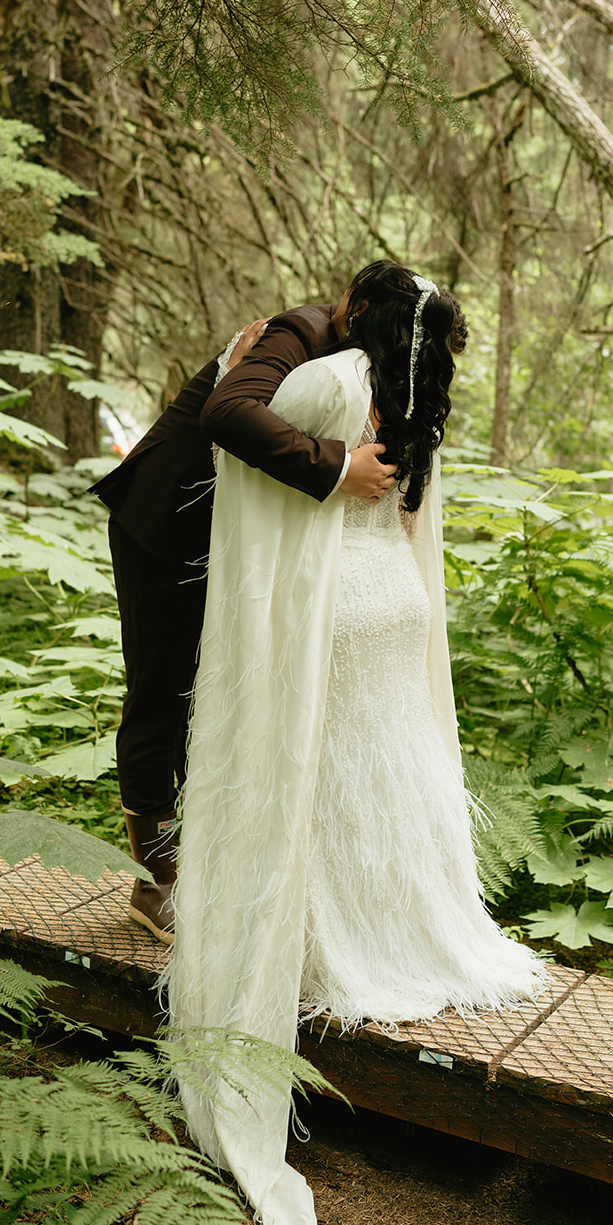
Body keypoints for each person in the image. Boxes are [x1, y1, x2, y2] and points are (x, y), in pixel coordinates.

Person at [167, 261, 549, 1225]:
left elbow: (239, 432)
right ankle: (401, 932)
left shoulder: (328, 377)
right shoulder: (415, 400)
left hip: (330, 602)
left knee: (316, 780)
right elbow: (410, 512)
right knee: (381, 778)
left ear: (362, 311)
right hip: (396, 603)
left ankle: (320, 946)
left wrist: (245, 385)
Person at [88, 293, 397, 943]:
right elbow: (227, 413)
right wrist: (339, 466)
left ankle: (214, 867)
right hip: (164, 526)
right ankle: (154, 880)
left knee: (221, 696)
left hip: (232, 547)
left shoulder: (359, 359)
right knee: (161, 697)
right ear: (365, 308)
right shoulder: (297, 332)